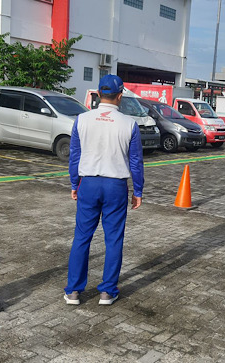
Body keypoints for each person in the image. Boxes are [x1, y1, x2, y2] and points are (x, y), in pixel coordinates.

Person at [65, 74, 144, 306]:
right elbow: (136, 162)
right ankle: (107, 291)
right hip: (115, 186)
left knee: (81, 237)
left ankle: (73, 291)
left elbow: (74, 156)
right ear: (120, 96)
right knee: (114, 239)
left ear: (98, 94)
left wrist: (73, 183)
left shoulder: (81, 120)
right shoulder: (130, 124)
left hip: (88, 183)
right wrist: (137, 190)